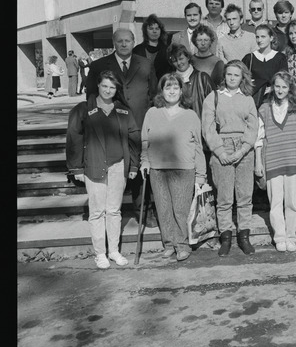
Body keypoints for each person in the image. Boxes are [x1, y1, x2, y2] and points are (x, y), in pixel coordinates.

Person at [66, 70, 141, 269]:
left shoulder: (124, 111)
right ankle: (100, 254)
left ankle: (114, 251)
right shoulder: (84, 110)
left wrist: (133, 164)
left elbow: (134, 137)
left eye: (112, 87)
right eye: (104, 86)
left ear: (117, 89)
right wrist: (76, 168)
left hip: (118, 166)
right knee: (97, 211)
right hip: (93, 165)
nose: (108, 90)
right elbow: (74, 138)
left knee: (114, 210)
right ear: (98, 86)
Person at [86, 27, 158, 227]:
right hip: (111, 127)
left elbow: (153, 94)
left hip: (140, 124)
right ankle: (108, 212)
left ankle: (145, 211)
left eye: (128, 40)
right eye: (120, 41)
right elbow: (91, 97)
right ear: (114, 43)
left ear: (134, 42)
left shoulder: (145, 64)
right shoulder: (99, 65)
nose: (124, 44)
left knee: (140, 169)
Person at [140, 73, 207, 262]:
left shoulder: (190, 115)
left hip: (184, 169)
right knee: (163, 208)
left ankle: (182, 245)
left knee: (180, 209)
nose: (172, 91)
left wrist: (201, 174)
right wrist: (144, 161)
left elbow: (198, 146)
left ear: (181, 90)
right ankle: (169, 244)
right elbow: (145, 140)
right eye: (167, 87)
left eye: (175, 87)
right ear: (161, 91)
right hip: (157, 169)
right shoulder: (152, 113)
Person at [201, 60, 259, 257]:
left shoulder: (248, 99)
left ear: (242, 77)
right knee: (224, 198)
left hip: (244, 149)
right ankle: (225, 237)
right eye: (229, 74)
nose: (232, 78)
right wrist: (220, 151)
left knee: (244, 197)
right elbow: (208, 127)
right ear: (224, 76)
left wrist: (242, 150)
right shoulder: (213, 97)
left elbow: (253, 127)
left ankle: (244, 237)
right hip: (222, 147)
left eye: (236, 75)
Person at [254, 71, 296, 253]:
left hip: (293, 159)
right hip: (272, 159)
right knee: (275, 202)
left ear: (289, 88)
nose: (280, 90)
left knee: (291, 202)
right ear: (272, 87)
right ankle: (280, 237)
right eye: (277, 86)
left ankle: (291, 236)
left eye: (284, 86)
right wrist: (258, 163)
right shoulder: (264, 109)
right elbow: (258, 139)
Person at [241, 23, 288, 108]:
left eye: (263, 37)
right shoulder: (249, 58)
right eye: (257, 37)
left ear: (271, 38)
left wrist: (272, 88)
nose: (259, 40)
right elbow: (242, 79)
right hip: (254, 102)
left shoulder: (280, 58)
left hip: (274, 100)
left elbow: (284, 79)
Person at [168, 44, 215, 119]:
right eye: (175, 61)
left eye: (181, 59)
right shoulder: (169, 82)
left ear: (188, 57)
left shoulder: (203, 78)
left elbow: (214, 105)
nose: (179, 63)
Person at [132, 13, 172, 80]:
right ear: (145, 31)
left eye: (157, 28)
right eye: (151, 29)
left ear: (160, 31)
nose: (154, 31)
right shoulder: (137, 50)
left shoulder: (167, 50)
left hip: (163, 86)